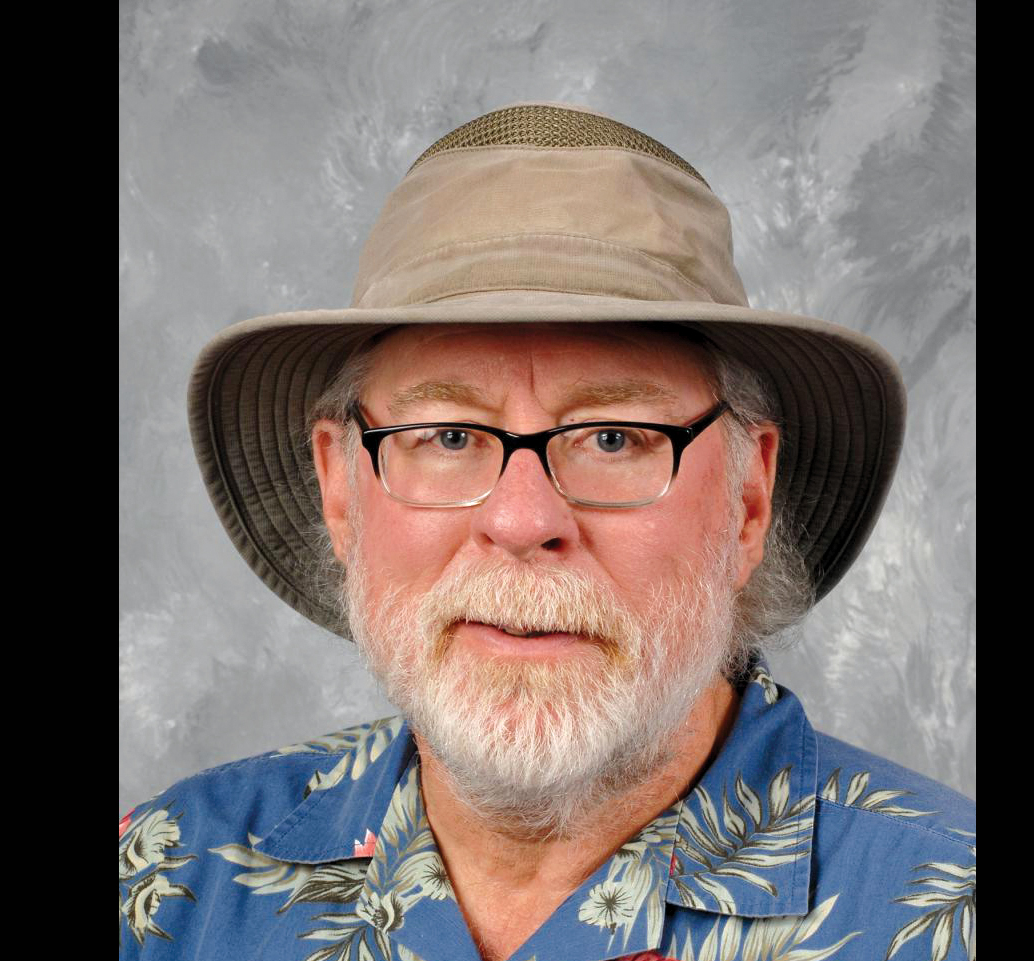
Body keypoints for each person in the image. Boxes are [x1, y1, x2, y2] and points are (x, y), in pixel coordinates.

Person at [119, 102, 974, 961]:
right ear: (341, 492)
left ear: (748, 499)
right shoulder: (165, 888)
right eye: (448, 436)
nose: (523, 520)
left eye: (614, 438)